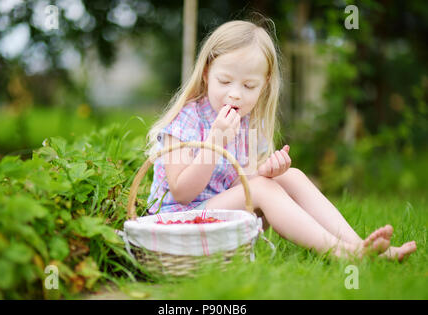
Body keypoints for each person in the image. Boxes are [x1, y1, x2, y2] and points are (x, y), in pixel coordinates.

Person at [145, 19, 416, 261]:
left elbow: (241, 185)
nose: (235, 94)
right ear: (206, 74)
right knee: (263, 188)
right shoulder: (186, 121)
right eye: (225, 81)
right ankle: (340, 253)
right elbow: (181, 193)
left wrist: (265, 172)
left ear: (264, 85)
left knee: (292, 176)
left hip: (221, 217)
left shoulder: (249, 122)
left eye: (249, 86)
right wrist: (215, 141)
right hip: (177, 223)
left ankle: (360, 246)